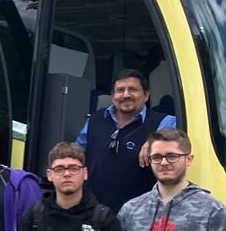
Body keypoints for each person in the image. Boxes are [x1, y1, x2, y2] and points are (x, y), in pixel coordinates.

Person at [76, 69, 177, 211]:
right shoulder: (95, 119)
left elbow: (177, 137)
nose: (126, 95)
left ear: (146, 95)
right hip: (94, 212)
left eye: (133, 89)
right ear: (113, 95)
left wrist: (156, 138)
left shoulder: (164, 121)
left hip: (140, 215)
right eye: (120, 90)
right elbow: (77, 154)